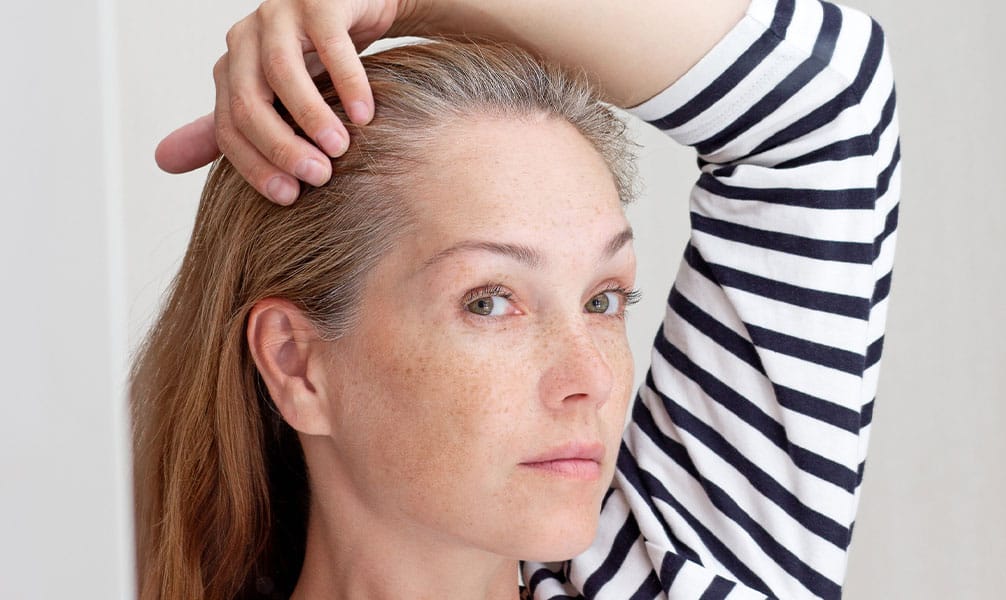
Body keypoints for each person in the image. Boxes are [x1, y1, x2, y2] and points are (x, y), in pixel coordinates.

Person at [141, 0, 900, 597]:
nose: (590, 379)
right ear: (296, 364)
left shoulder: (682, 576)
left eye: (603, 300)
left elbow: (830, 109)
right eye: (491, 301)